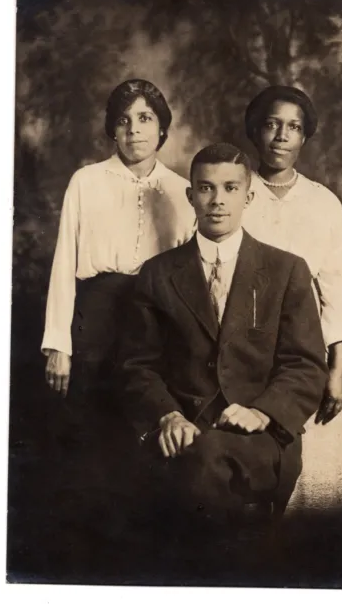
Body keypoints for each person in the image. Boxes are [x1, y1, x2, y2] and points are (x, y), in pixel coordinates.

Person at [119, 143, 328, 548]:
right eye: (206, 188)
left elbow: (305, 365)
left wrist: (262, 412)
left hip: (260, 437)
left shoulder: (287, 270)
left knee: (205, 467)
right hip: (181, 428)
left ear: (248, 197)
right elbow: (136, 365)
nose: (217, 201)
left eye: (230, 188)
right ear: (190, 195)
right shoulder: (158, 274)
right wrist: (167, 416)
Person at [40, 79, 195, 535]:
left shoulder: (183, 190)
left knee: (149, 423)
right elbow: (64, 260)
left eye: (145, 118)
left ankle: (146, 543)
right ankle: (92, 544)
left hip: (156, 321)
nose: (134, 130)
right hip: (95, 318)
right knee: (92, 428)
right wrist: (58, 343)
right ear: (112, 130)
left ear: (162, 129)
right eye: (123, 121)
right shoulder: (86, 181)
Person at [241, 85, 342, 513]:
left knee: (312, 499)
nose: (282, 136)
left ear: (305, 137)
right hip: (250, 355)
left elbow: (337, 292)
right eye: (272, 125)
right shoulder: (235, 194)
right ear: (255, 131)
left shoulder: (324, 204)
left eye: (294, 127)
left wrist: (337, 368)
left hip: (308, 358)